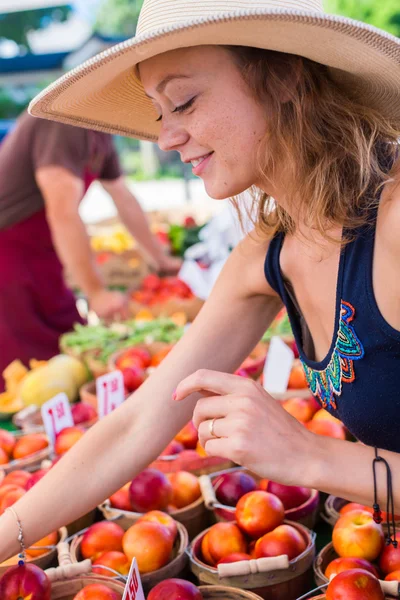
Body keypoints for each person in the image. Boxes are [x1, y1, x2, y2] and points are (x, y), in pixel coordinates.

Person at [1, 0, 400, 560]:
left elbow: (315, 457)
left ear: (283, 76)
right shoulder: (268, 251)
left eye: (184, 101)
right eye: (158, 111)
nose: (164, 138)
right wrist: (7, 535)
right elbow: (138, 423)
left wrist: (311, 456)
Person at [0, 111, 182, 388]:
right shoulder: (61, 122)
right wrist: (96, 292)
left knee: (66, 350)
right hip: (8, 255)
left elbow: (124, 197)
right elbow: (63, 212)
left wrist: (161, 258)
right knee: (21, 368)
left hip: (44, 256)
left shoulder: (99, 131)